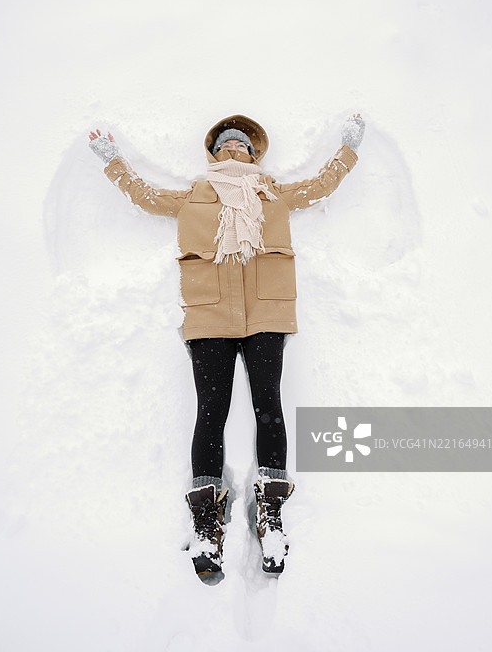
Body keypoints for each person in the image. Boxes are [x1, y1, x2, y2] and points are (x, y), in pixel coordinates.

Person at [89, 112, 364, 583]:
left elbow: (322, 185)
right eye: (226, 143)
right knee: (211, 411)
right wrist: (113, 160)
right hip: (210, 315)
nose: (234, 148)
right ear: (214, 153)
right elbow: (144, 195)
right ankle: (206, 520)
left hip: (267, 314)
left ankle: (271, 511)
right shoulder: (196, 195)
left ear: (255, 155)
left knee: (268, 407)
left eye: (242, 144)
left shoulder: (272, 193)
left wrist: (348, 148)